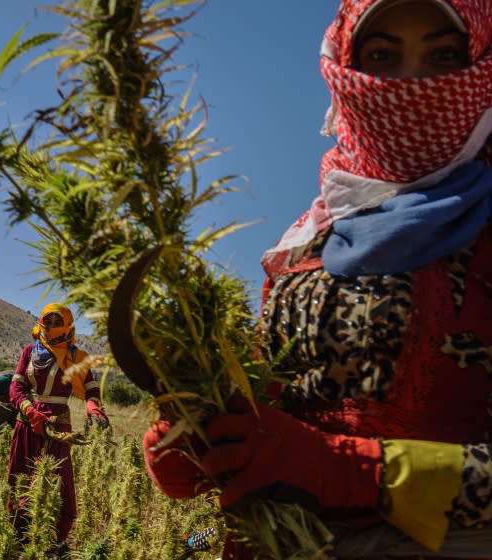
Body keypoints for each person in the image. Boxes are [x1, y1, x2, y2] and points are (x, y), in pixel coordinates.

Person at [142, 0, 492, 557]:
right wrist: (205, 443)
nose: (409, 84)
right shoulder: (301, 246)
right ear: (345, 71)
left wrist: (355, 473)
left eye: (443, 55)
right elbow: (270, 413)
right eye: (381, 56)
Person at [7, 303, 110, 549]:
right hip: (28, 424)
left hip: (58, 429)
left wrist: (94, 408)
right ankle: (20, 537)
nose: (51, 327)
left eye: (57, 322)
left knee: (57, 481)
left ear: (67, 326)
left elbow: (91, 389)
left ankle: (54, 540)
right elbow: (16, 387)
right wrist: (29, 410)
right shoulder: (30, 351)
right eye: (48, 321)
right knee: (22, 479)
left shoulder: (77, 357)